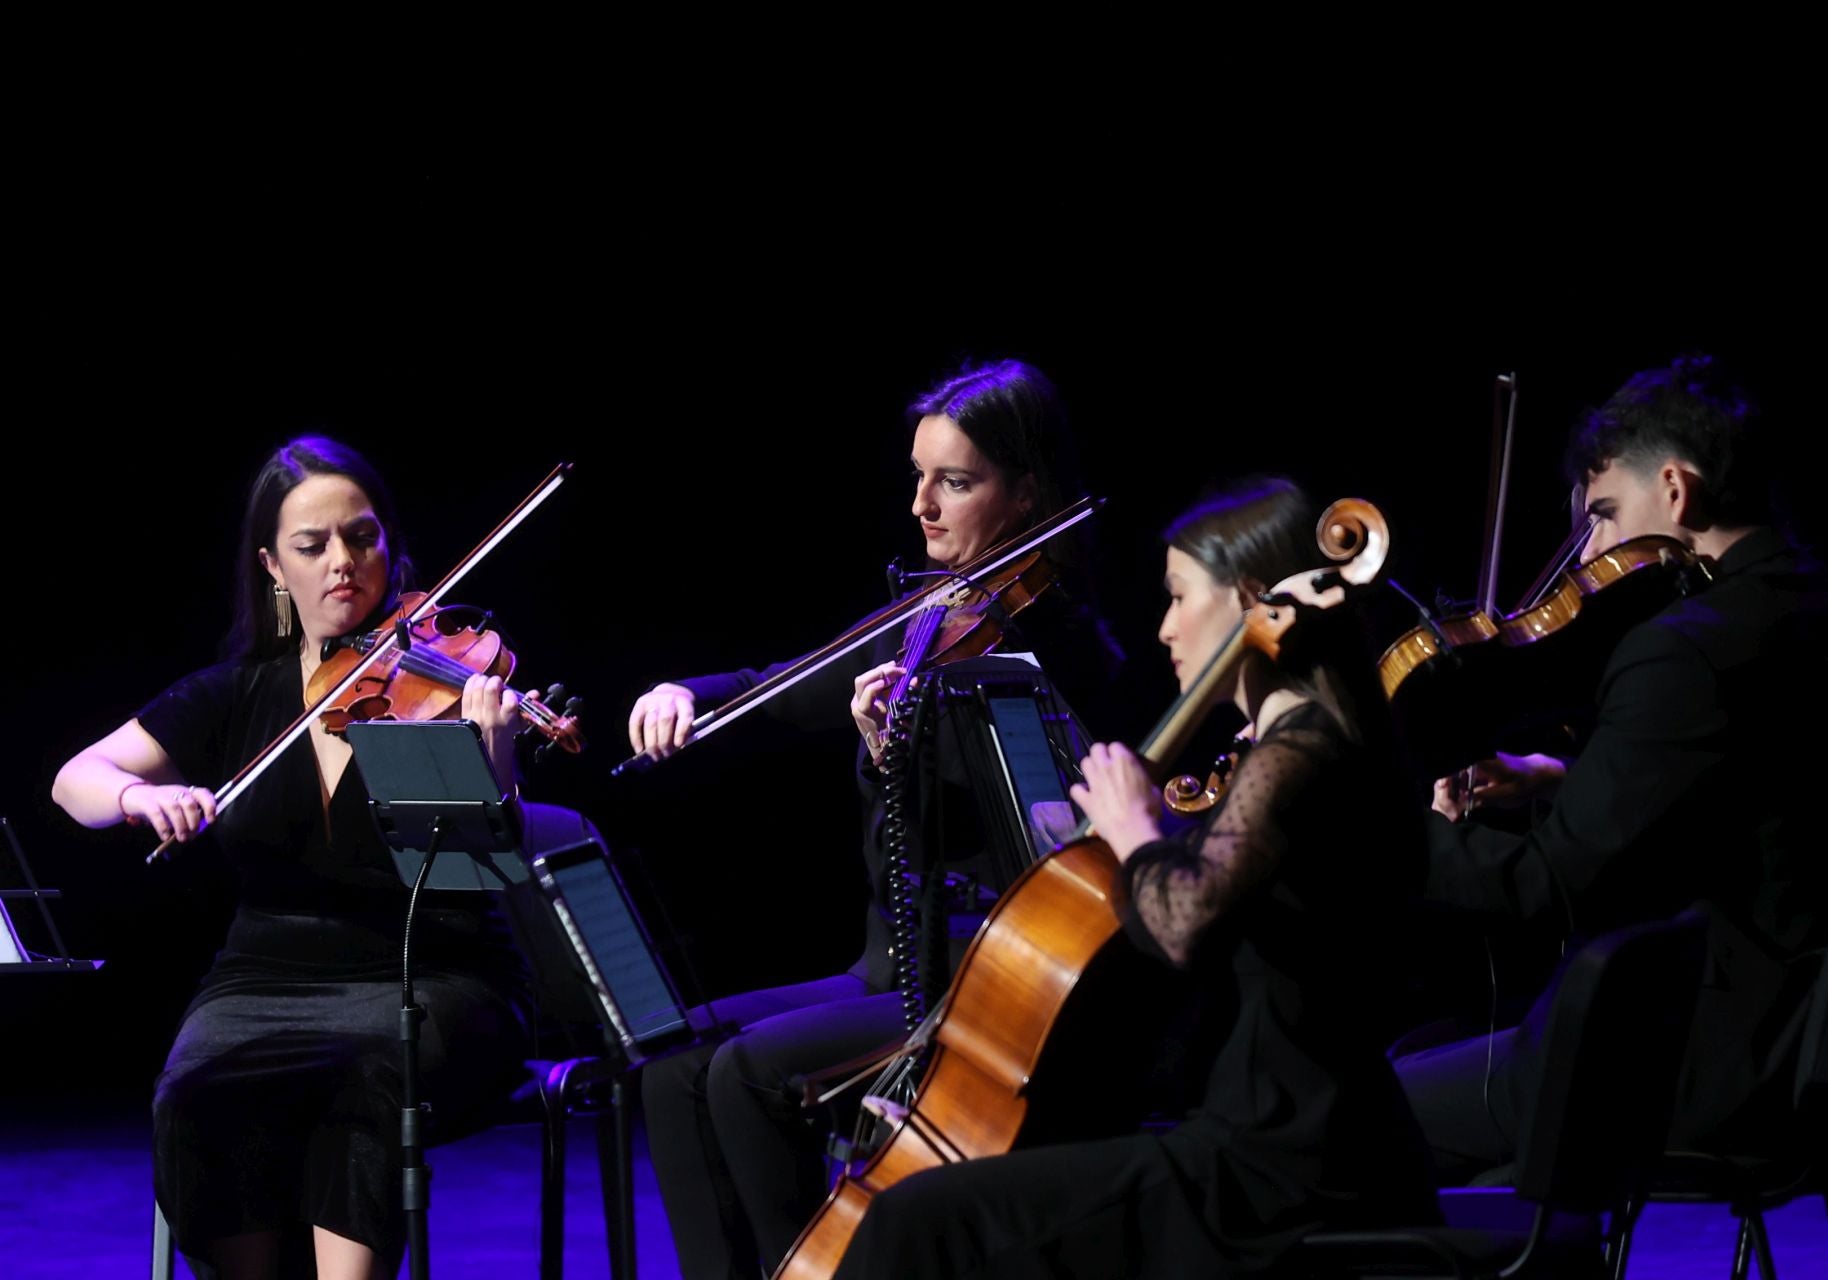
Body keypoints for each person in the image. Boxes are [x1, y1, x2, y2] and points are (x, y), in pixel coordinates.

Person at [832, 477, 1437, 1278]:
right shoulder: (1318, 741)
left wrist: (1134, 832)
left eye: (1179, 597)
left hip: (1276, 1170)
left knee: (914, 1220)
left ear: (1251, 602)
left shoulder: (1297, 752)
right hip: (1299, 1141)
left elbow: (1184, 926)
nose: (1163, 628)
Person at [632, 358, 1125, 1278]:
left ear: (1026, 494)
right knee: (668, 1066)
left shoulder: (1061, 651)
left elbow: (1047, 841)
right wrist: (683, 692)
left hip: (978, 986)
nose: (921, 506)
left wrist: (899, 752)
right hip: (886, 966)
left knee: (748, 1075)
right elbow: (778, 688)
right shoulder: (933, 615)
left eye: (955, 482)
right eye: (918, 476)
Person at [50, 436, 581, 1279]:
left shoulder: (443, 683)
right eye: (313, 545)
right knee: (195, 1094)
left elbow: (490, 861)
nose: (343, 562)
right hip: (264, 976)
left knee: (359, 1078)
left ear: (390, 546)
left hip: (434, 973)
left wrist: (495, 757)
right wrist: (136, 798)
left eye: (362, 538)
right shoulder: (237, 693)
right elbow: (75, 779)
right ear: (272, 566)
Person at [1397, 354, 1828, 1180]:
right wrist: (1565, 780)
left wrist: (1395, 836)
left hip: (1694, 1068)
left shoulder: (1684, 652)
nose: (1589, 551)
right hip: (1819, 1054)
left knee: (1349, 1116)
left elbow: (1546, 887)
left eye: (1603, 514)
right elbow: (1767, 800)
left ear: (1674, 489)